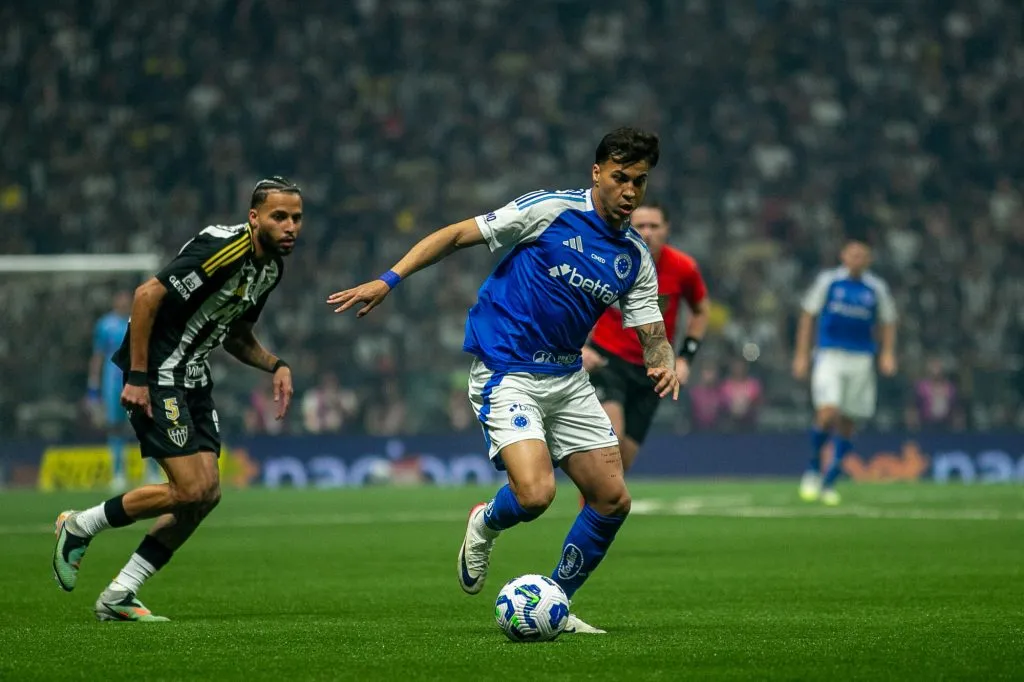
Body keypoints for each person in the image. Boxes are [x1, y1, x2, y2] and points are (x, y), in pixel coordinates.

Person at [328, 128, 678, 634]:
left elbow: (652, 331)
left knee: (612, 499)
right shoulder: (551, 210)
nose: (629, 191)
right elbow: (453, 236)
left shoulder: (634, 259)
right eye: (620, 178)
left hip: (567, 377)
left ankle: (557, 600)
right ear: (596, 173)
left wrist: (662, 358)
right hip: (507, 369)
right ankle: (485, 522)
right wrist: (390, 279)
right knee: (536, 495)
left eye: (639, 183)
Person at [52, 177, 301, 621]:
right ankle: (79, 525)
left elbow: (236, 336)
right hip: (159, 372)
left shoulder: (270, 270)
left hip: (193, 376)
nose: (290, 226)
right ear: (254, 217)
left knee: (205, 495)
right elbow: (147, 296)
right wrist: (140, 377)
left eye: (296, 218)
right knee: (188, 488)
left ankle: (120, 593)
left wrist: (276, 364)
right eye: (279, 216)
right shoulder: (223, 249)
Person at [583, 202, 709, 471]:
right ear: (628, 227)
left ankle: (595, 508)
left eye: (654, 226)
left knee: (622, 463)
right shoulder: (607, 260)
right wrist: (578, 347)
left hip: (652, 370)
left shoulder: (684, 268)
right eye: (640, 226)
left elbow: (700, 311)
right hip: (607, 360)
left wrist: (686, 358)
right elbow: (575, 301)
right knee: (611, 439)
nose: (648, 232)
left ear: (667, 229)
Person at [792, 238, 897, 505]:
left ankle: (830, 480)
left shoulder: (876, 288)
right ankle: (814, 468)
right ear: (843, 256)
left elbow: (888, 321)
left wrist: (886, 353)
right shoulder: (829, 282)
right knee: (828, 412)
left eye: (862, 255)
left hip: (861, 359)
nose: (856, 259)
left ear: (868, 259)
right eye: (852, 254)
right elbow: (807, 313)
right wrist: (802, 354)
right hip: (830, 355)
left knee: (849, 421)